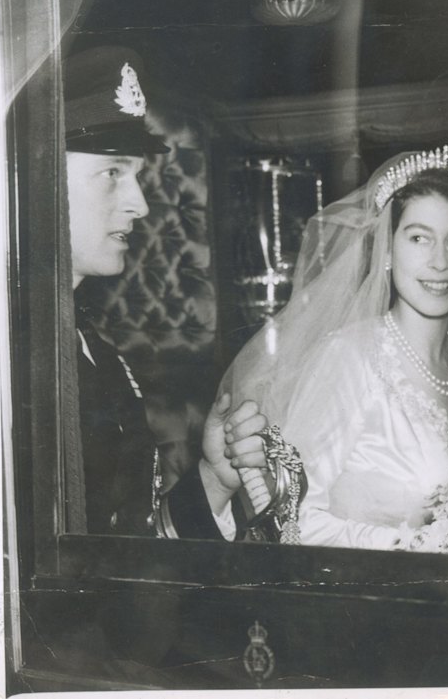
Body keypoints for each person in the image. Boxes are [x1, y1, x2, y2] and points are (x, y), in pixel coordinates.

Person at [223, 146, 448, 553]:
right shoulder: (350, 357)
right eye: (419, 238)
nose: (439, 262)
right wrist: (415, 547)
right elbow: (293, 521)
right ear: (387, 248)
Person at [63, 46, 269, 539]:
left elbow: (128, 543)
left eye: (135, 176)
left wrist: (213, 480)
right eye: (112, 173)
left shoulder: (95, 349)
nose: (139, 204)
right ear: (36, 179)